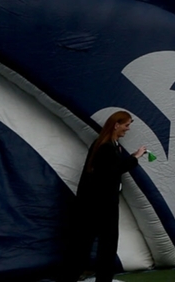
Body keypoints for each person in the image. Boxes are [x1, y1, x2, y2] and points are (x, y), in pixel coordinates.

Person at [59, 110, 148, 282]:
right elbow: (112, 171)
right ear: (116, 125)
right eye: (126, 125)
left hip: (98, 204)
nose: (127, 129)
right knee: (99, 246)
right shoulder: (106, 147)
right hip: (99, 205)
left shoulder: (109, 145)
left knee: (88, 245)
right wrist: (135, 157)